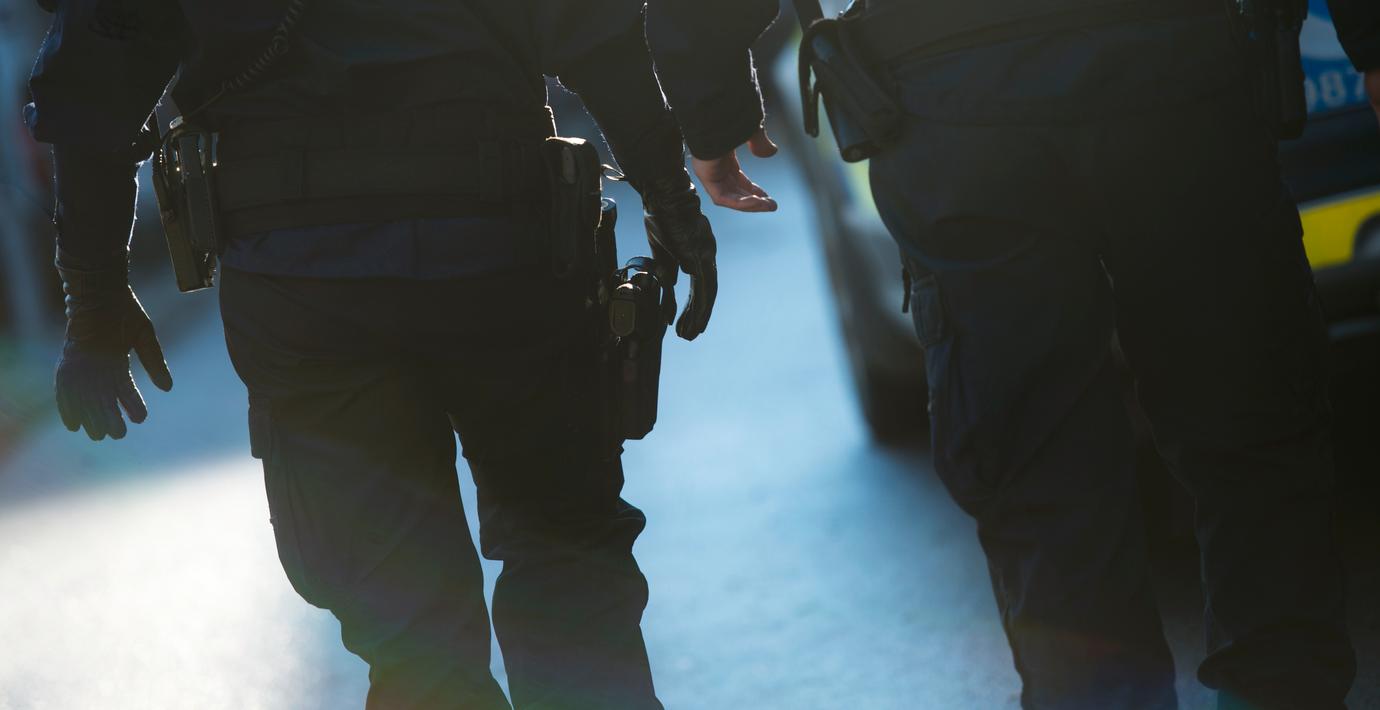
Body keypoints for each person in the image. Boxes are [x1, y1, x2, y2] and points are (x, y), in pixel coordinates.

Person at [650, 0, 1378, 708]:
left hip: (950, 105)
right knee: (1250, 415)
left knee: (1041, 470)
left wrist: (710, 110)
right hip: (1173, 68)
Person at [31, 0, 724, 707]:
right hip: (504, 260)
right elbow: (596, 34)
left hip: (306, 291)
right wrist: (670, 198)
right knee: (569, 571)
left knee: (413, 634)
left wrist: (94, 304)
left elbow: (94, 83)